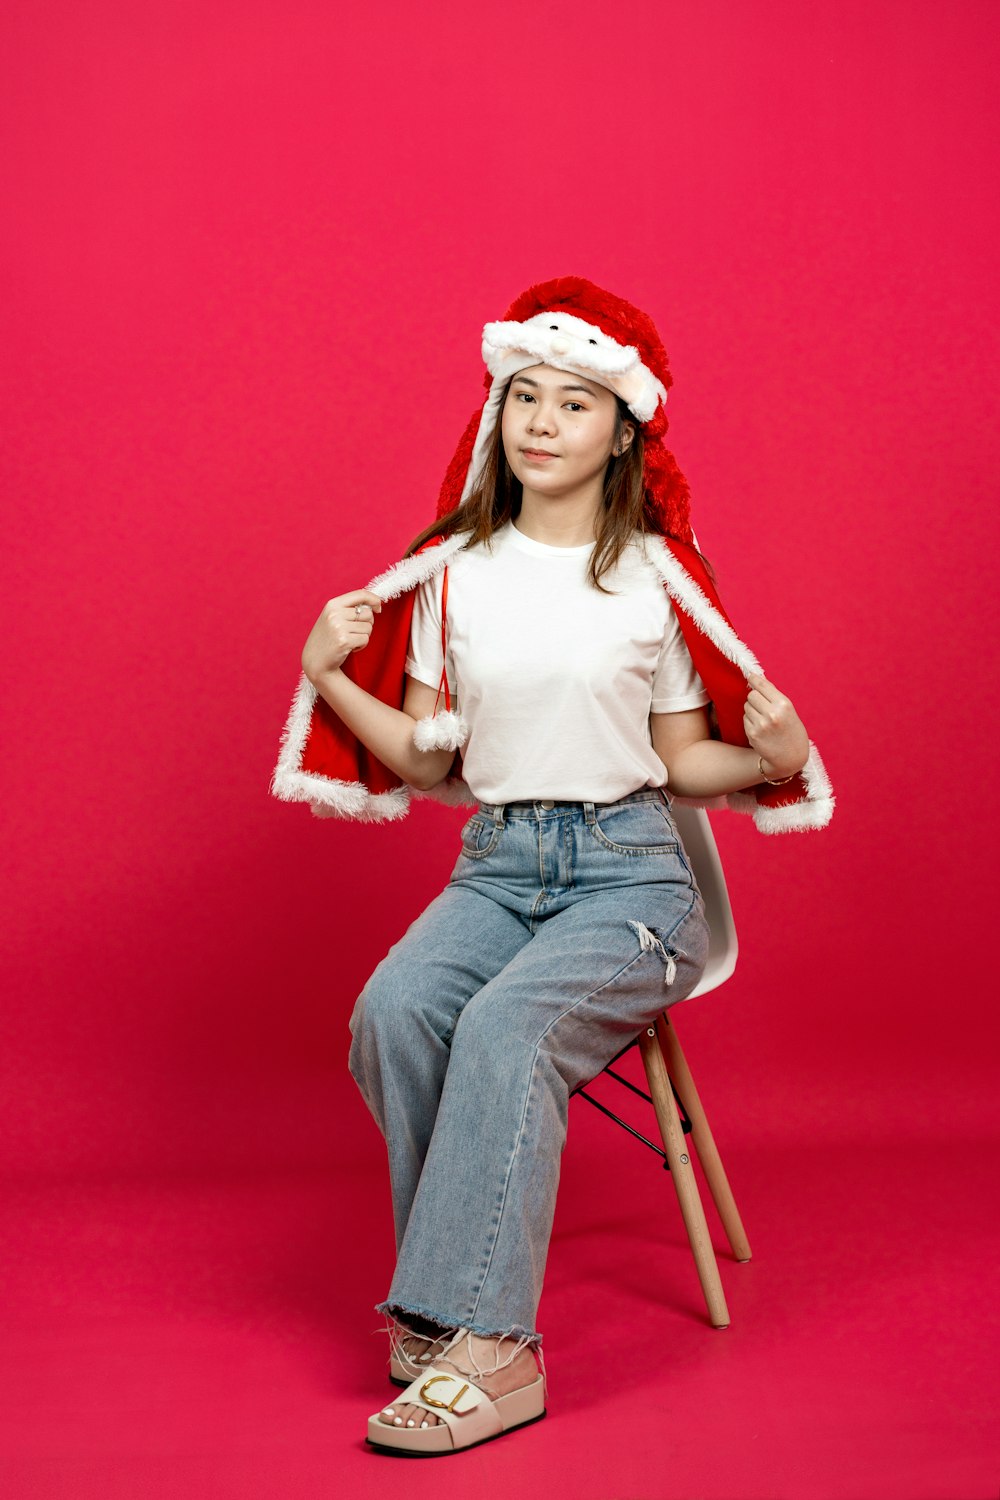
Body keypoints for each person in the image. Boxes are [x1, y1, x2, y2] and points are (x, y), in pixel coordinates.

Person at [275, 276, 834, 1456]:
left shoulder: (654, 579)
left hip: (633, 874)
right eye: (521, 395)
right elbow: (432, 762)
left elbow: (683, 765)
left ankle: (491, 1351)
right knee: (395, 1013)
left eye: (572, 402)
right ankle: (441, 1314)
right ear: (496, 415)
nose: (539, 420)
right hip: (496, 862)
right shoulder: (454, 575)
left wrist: (771, 755)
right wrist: (326, 675)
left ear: (622, 428)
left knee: (508, 1029)